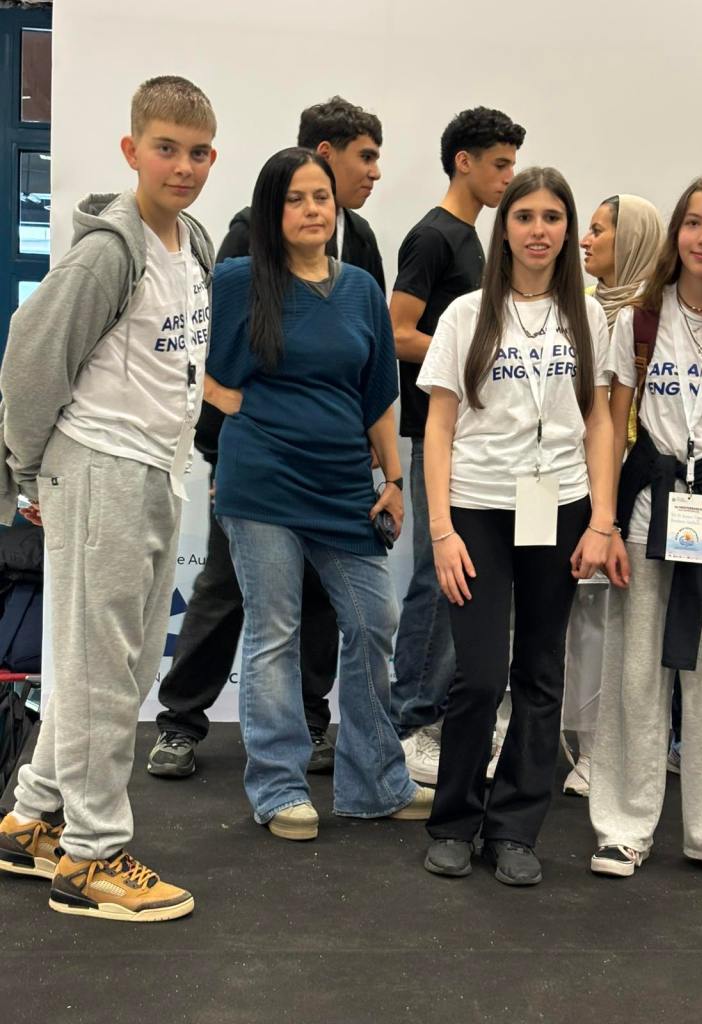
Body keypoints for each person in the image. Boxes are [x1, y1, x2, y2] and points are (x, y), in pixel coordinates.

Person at [0, 76, 217, 920]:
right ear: (132, 151)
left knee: (108, 665)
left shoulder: (192, 243)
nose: (183, 166)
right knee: (101, 671)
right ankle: (91, 859)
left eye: (198, 152)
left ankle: (32, 819)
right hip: (99, 467)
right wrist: (26, 471)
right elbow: (29, 359)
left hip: (154, 468)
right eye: (166, 149)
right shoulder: (107, 252)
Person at [148, 97, 385, 779]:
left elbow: (366, 355)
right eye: (364, 157)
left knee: (322, 600)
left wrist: (378, 458)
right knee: (227, 590)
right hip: (254, 463)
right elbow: (204, 350)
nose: (373, 172)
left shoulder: (361, 241)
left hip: (334, 467)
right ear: (324, 155)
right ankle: (181, 723)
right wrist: (224, 445)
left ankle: (309, 722)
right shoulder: (246, 236)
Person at [204, 147, 433, 841]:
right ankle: (278, 788)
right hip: (262, 482)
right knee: (274, 631)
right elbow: (185, 359)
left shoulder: (360, 287)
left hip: (344, 485)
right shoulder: (239, 280)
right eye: (296, 199)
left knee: (374, 621)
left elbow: (378, 395)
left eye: (321, 198)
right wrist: (235, 407)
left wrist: (394, 480)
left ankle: (374, 784)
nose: (312, 210)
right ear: (271, 210)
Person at [420, 167, 614, 885]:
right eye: (524, 216)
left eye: (552, 217)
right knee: (477, 676)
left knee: (540, 672)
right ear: (504, 229)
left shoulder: (589, 317)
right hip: (477, 509)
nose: (538, 230)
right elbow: (438, 427)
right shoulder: (466, 314)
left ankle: (514, 830)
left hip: (559, 507)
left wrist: (601, 518)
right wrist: (441, 531)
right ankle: (454, 821)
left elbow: (600, 421)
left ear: (567, 229)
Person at [591, 173, 702, 884]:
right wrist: (605, 522)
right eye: (693, 223)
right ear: (676, 231)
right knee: (634, 671)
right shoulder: (640, 315)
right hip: (648, 505)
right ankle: (623, 829)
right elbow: (611, 425)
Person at [389, 107, 526, 785]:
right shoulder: (433, 237)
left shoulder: (473, 240)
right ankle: (410, 722)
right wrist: (472, 356)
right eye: (499, 164)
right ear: (463, 162)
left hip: (477, 441)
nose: (508, 177)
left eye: (512, 165)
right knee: (434, 577)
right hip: (433, 432)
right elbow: (397, 331)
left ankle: (439, 717)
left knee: (464, 580)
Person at [561, 194, 664, 797]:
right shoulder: (578, 308)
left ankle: (606, 753)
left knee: (612, 622)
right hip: (570, 477)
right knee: (573, 619)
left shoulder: (657, 314)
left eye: (599, 230)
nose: (585, 240)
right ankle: (568, 742)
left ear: (635, 241)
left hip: (631, 486)